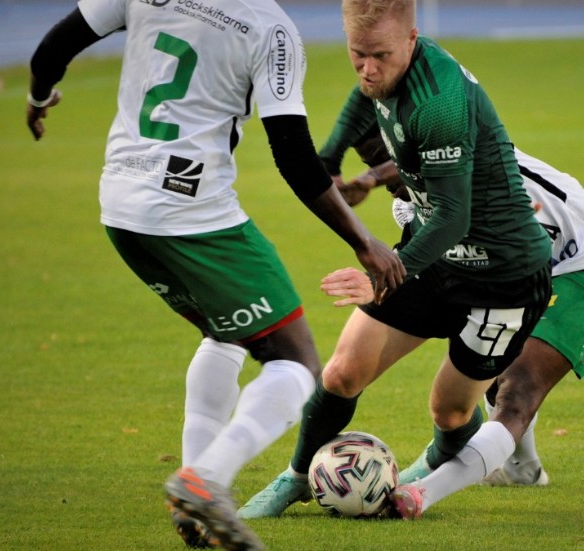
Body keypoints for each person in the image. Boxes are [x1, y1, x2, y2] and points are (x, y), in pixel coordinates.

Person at [25, 1, 405, 548]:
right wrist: (363, 241)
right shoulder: (270, 28)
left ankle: (191, 503)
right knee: (295, 361)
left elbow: (53, 48)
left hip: (121, 206)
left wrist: (39, 98)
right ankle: (206, 482)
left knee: (224, 334)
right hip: (194, 215)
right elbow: (294, 155)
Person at [238, 0, 553, 521]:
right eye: (357, 55)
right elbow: (365, 100)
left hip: (503, 277)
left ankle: (427, 474)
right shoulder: (381, 73)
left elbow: (453, 216)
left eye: (381, 55)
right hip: (434, 259)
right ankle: (295, 478)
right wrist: (330, 160)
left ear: (412, 40)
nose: (368, 68)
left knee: (449, 410)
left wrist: (378, 274)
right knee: (342, 373)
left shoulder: (440, 104)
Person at [330, 137, 584, 502]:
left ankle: (420, 495)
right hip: (519, 265)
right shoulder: (411, 205)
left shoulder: (480, 175)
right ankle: (522, 469)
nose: (392, 186)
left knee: (518, 384)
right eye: (374, 166)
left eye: (388, 166)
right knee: (490, 354)